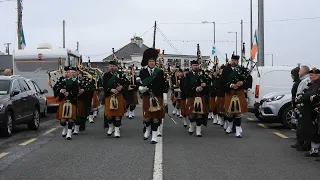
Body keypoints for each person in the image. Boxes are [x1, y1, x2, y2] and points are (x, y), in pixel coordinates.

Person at [138, 48, 167, 144]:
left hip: (157, 96)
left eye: (153, 61)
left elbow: (163, 85)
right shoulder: (143, 72)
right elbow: (139, 83)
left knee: (155, 118)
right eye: (150, 61)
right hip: (147, 96)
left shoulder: (159, 72)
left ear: (155, 62)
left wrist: (165, 98)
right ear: (147, 62)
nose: (151, 63)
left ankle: (154, 136)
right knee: (147, 117)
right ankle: (148, 129)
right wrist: (141, 89)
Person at [220, 55, 250, 138]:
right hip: (230, 92)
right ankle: (230, 124)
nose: (233, 62)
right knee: (229, 113)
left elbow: (249, 80)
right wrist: (230, 85)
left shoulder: (242, 70)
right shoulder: (226, 70)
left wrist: (243, 83)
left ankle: (238, 130)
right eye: (232, 60)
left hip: (239, 92)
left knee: (238, 112)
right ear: (230, 60)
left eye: (235, 60)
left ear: (238, 61)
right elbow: (222, 82)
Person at [296, 68, 320, 157]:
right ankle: (314, 149)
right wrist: (300, 97)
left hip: (315, 111)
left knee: (315, 131)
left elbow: (313, 96)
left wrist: (313, 98)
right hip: (310, 111)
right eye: (310, 75)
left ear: (318, 76)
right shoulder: (312, 84)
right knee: (312, 131)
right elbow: (306, 94)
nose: (310, 77)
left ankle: (315, 150)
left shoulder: (318, 84)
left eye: (312, 75)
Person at [53, 66, 79, 140]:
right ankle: (65, 128)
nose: (67, 73)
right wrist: (60, 91)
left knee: (70, 119)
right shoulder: (60, 80)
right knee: (63, 121)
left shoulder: (74, 81)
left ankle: (69, 134)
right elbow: (55, 90)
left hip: (71, 101)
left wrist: (69, 93)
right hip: (63, 101)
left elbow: (76, 91)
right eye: (66, 72)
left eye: (69, 72)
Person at [103, 60, 127, 138]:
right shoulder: (106, 75)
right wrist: (110, 89)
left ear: (116, 67)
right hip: (109, 96)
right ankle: (110, 127)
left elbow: (126, 82)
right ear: (108, 67)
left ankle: (117, 131)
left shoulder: (120, 74)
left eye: (113, 66)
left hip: (119, 95)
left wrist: (122, 87)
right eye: (110, 66)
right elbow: (103, 85)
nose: (112, 68)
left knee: (118, 115)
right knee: (109, 115)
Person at [185, 60, 208, 137]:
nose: (196, 67)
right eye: (194, 65)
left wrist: (205, 85)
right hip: (192, 96)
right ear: (191, 66)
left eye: (197, 65)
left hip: (200, 97)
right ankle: (191, 126)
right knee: (191, 115)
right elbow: (186, 87)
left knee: (199, 115)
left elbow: (208, 85)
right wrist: (195, 89)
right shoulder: (188, 75)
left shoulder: (202, 75)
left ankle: (198, 130)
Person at [295, 65, 311, 151]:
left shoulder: (305, 81)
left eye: (300, 70)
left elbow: (302, 93)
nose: (298, 72)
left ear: (304, 71)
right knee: (301, 125)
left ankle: (304, 143)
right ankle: (302, 142)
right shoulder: (303, 80)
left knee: (304, 125)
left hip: (304, 106)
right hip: (302, 105)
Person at [290, 67, 302, 148]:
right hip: (296, 105)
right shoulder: (298, 82)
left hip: (297, 105)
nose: (291, 76)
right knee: (297, 123)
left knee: (298, 124)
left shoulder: (298, 83)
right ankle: (299, 141)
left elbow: (296, 94)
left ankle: (299, 141)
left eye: (292, 74)